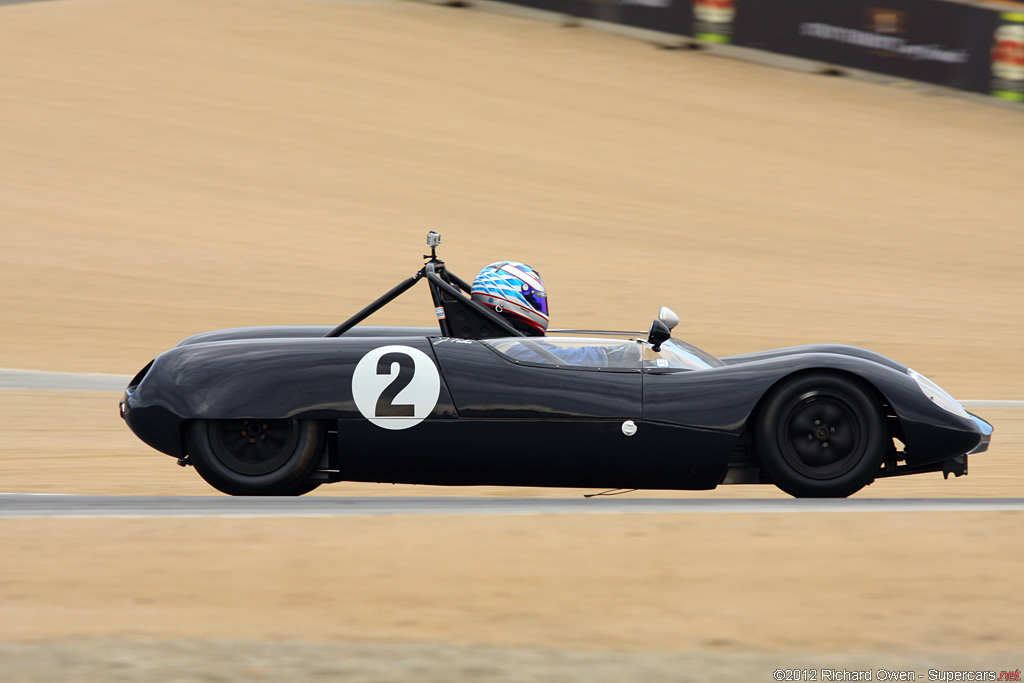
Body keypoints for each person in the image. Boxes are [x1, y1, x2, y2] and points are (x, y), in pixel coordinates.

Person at [471, 261, 628, 368]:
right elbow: (568, 358)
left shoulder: (504, 340)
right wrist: (616, 354)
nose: (541, 306)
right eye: (536, 299)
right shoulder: (508, 348)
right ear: (508, 297)